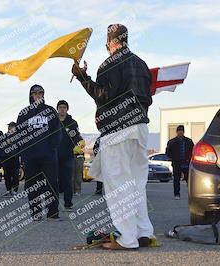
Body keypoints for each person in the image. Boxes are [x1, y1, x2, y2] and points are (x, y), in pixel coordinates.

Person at [72, 24, 154, 249]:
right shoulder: (141, 63)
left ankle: (127, 238)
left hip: (118, 131)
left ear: (111, 43)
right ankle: (143, 232)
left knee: (118, 185)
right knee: (136, 183)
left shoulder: (109, 64)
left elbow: (103, 97)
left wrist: (82, 77)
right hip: (140, 128)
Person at [16, 84, 62, 220]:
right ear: (31, 95)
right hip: (31, 157)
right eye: (35, 93)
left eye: (40, 93)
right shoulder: (24, 113)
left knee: (51, 183)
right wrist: (24, 152)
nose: (37, 95)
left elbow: (57, 132)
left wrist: (52, 148)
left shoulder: (50, 111)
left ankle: (52, 212)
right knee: (32, 185)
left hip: (48, 156)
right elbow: (19, 134)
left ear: (43, 95)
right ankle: (36, 213)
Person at [57, 100, 81, 210]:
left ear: (67, 109)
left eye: (64, 107)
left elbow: (76, 137)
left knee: (67, 180)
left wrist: (74, 146)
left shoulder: (72, 123)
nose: (62, 109)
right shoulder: (54, 122)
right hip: (54, 156)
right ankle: (53, 204)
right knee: (54, 181)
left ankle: (68, 203)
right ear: (57, 109)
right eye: (60, 107)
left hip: (67, 156)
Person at [166, 125, 194, 200]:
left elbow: (193, 151)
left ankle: (191, 195)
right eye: (179, 131)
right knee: (176, 179)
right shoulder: (172, 142)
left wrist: (190, 159)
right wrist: (173, 158)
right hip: (176, 163)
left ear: (183, 132)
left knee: (189, 180)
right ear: (177, 132)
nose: (180, 132)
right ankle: (177, 194)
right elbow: (168, 152)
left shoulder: (189, 141)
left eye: (182, 131)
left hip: (187, 163)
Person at [1, 122, 20, 196]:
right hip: (6, 158)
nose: (9, 128)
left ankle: (15, 190)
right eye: (9, 127)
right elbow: (1, 147)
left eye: (11, 127)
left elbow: (20, 147)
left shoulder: (18, 136)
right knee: (7, 175)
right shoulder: (4, 136)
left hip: (15, 158)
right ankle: (8, 190)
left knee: (15, 175)